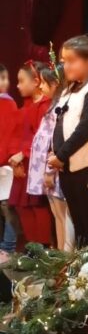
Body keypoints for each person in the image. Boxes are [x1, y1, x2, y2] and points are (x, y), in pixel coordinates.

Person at [49, 36, 88, 247]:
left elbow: (86, 128)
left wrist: (61, 155)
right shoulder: (69, 89)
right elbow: (59, 124)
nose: (66, 66)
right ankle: (81, 265)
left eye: (71, 60)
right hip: (67, 170)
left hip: (86, 169)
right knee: (79, 226)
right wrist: (55, 154)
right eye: (64, 61)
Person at [26, 66, 74, 252]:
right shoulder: (53, 106)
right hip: (49, 172)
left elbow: (54, 142)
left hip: (54, 171)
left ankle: (66, 256)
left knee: (63, 217)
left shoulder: (59, 109)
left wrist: (49, 171)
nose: (41, 86)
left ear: (56, 84)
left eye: (45, 83)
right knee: (58, 216)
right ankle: (61, 255)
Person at [8, 61, 52, 245]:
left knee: (37, 204)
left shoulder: (45, 106)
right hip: (22, 163)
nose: (17, 86)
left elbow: (42, 137)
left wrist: (24, 154)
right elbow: (16, 135)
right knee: (22, 205)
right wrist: (15, 160)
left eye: (21, 81)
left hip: (36, 163)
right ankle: (32, 245)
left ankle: (43, 246)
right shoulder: (26, 107)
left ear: (36, 82)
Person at [0, 63, 20, 256]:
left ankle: (8, 247)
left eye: (6, 78)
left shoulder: (8, 103)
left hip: (5, 163)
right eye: (2, 78)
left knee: (7, 206)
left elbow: (9, 134)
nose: (6, 82)